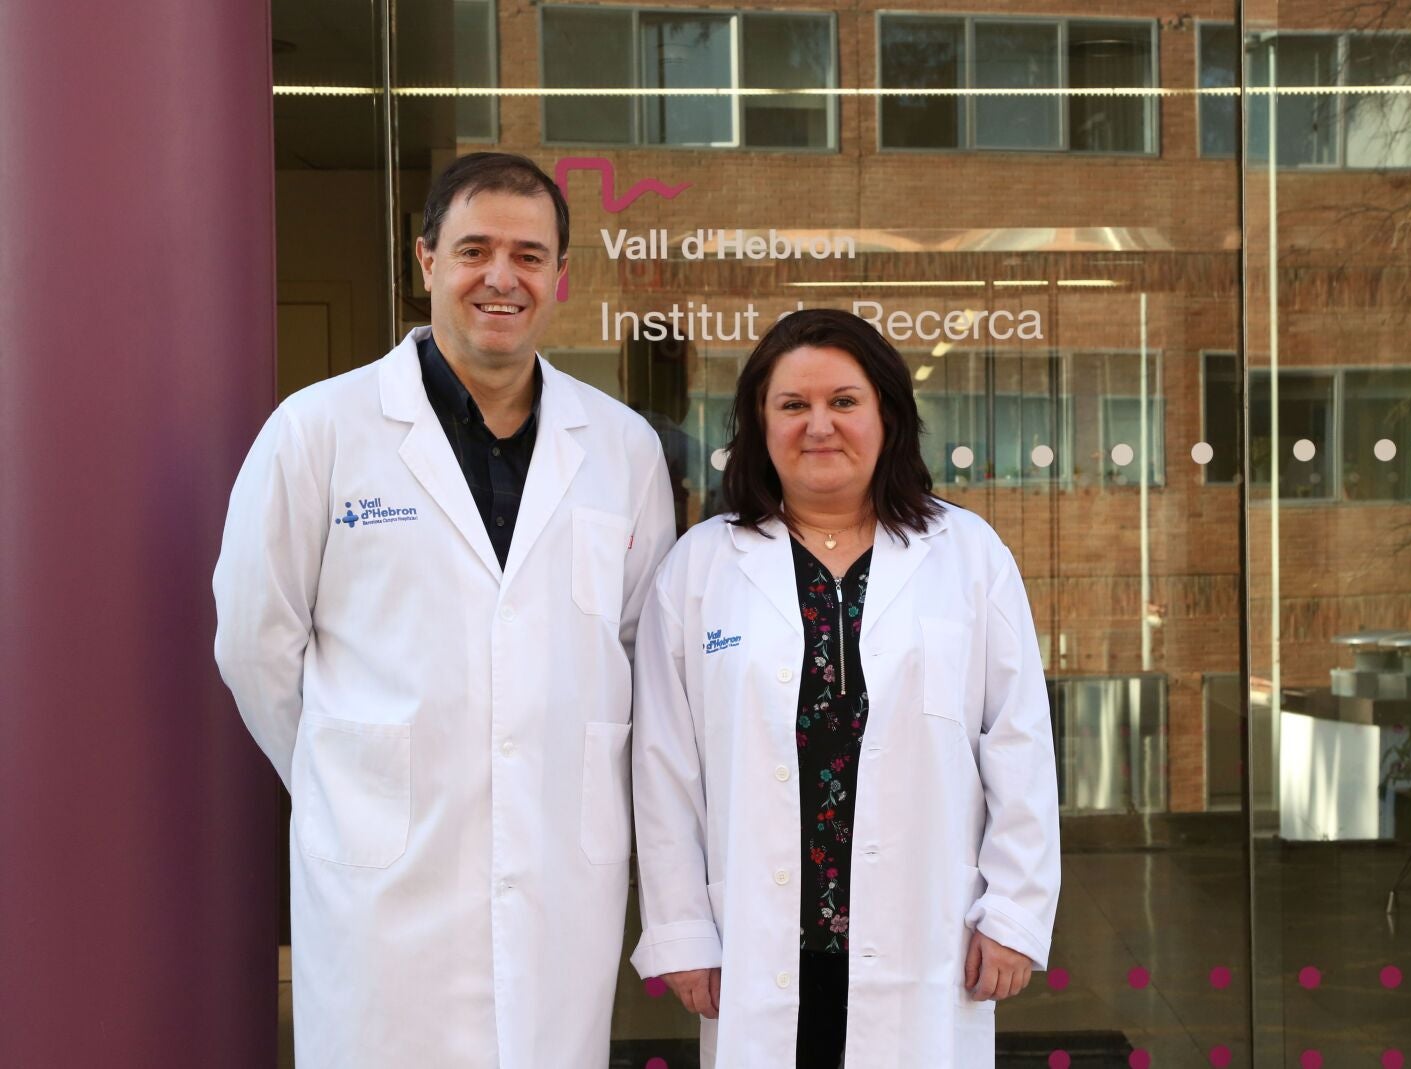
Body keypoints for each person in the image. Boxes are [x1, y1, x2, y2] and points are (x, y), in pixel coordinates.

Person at [212, 152, 675, 1068]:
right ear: (426, 261)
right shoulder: (320, 429)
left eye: (529, 256)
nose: (502, 277)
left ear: (560, 275)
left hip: (557, 873)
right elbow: (255, 644)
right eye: (475, 250)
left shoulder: (622, 448)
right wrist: (355, 771)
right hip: (387, 882)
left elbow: (638, 649)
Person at [628, 309, 1061, 1068]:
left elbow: (1018, 743)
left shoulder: (968, 555)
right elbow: (666, 766)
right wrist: (681, 927)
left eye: (844, 401)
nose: (819, 425)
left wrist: (1014, 910)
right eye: (793, 404)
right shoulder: (700, 566)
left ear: (887, 416)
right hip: (759, 938)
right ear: (759, 424)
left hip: (926, 929)